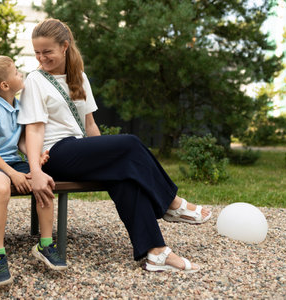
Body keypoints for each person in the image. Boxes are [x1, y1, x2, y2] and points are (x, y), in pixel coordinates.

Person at [18, 19, 212, 273]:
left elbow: (89, 125)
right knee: (130, 143)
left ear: (65, 46)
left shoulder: (80, 77)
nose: (41, 58)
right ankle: (172, 203)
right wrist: (37, 170)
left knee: (125, 178)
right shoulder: (35, 80)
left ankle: (157, 253)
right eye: (37, 52)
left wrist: (105, 156)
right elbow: (33, 129)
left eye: (48, 52)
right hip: (54, 154)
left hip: (78, 150)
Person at [0, 56, 67, 287]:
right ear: (5, 85)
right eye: (15, 73)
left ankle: (45, 243)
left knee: (42, 180)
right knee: (2, 188)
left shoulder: (19, 104)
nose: (20, 75)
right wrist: (12, 174)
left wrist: (36, 157)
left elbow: (22, 141)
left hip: (13, 160)